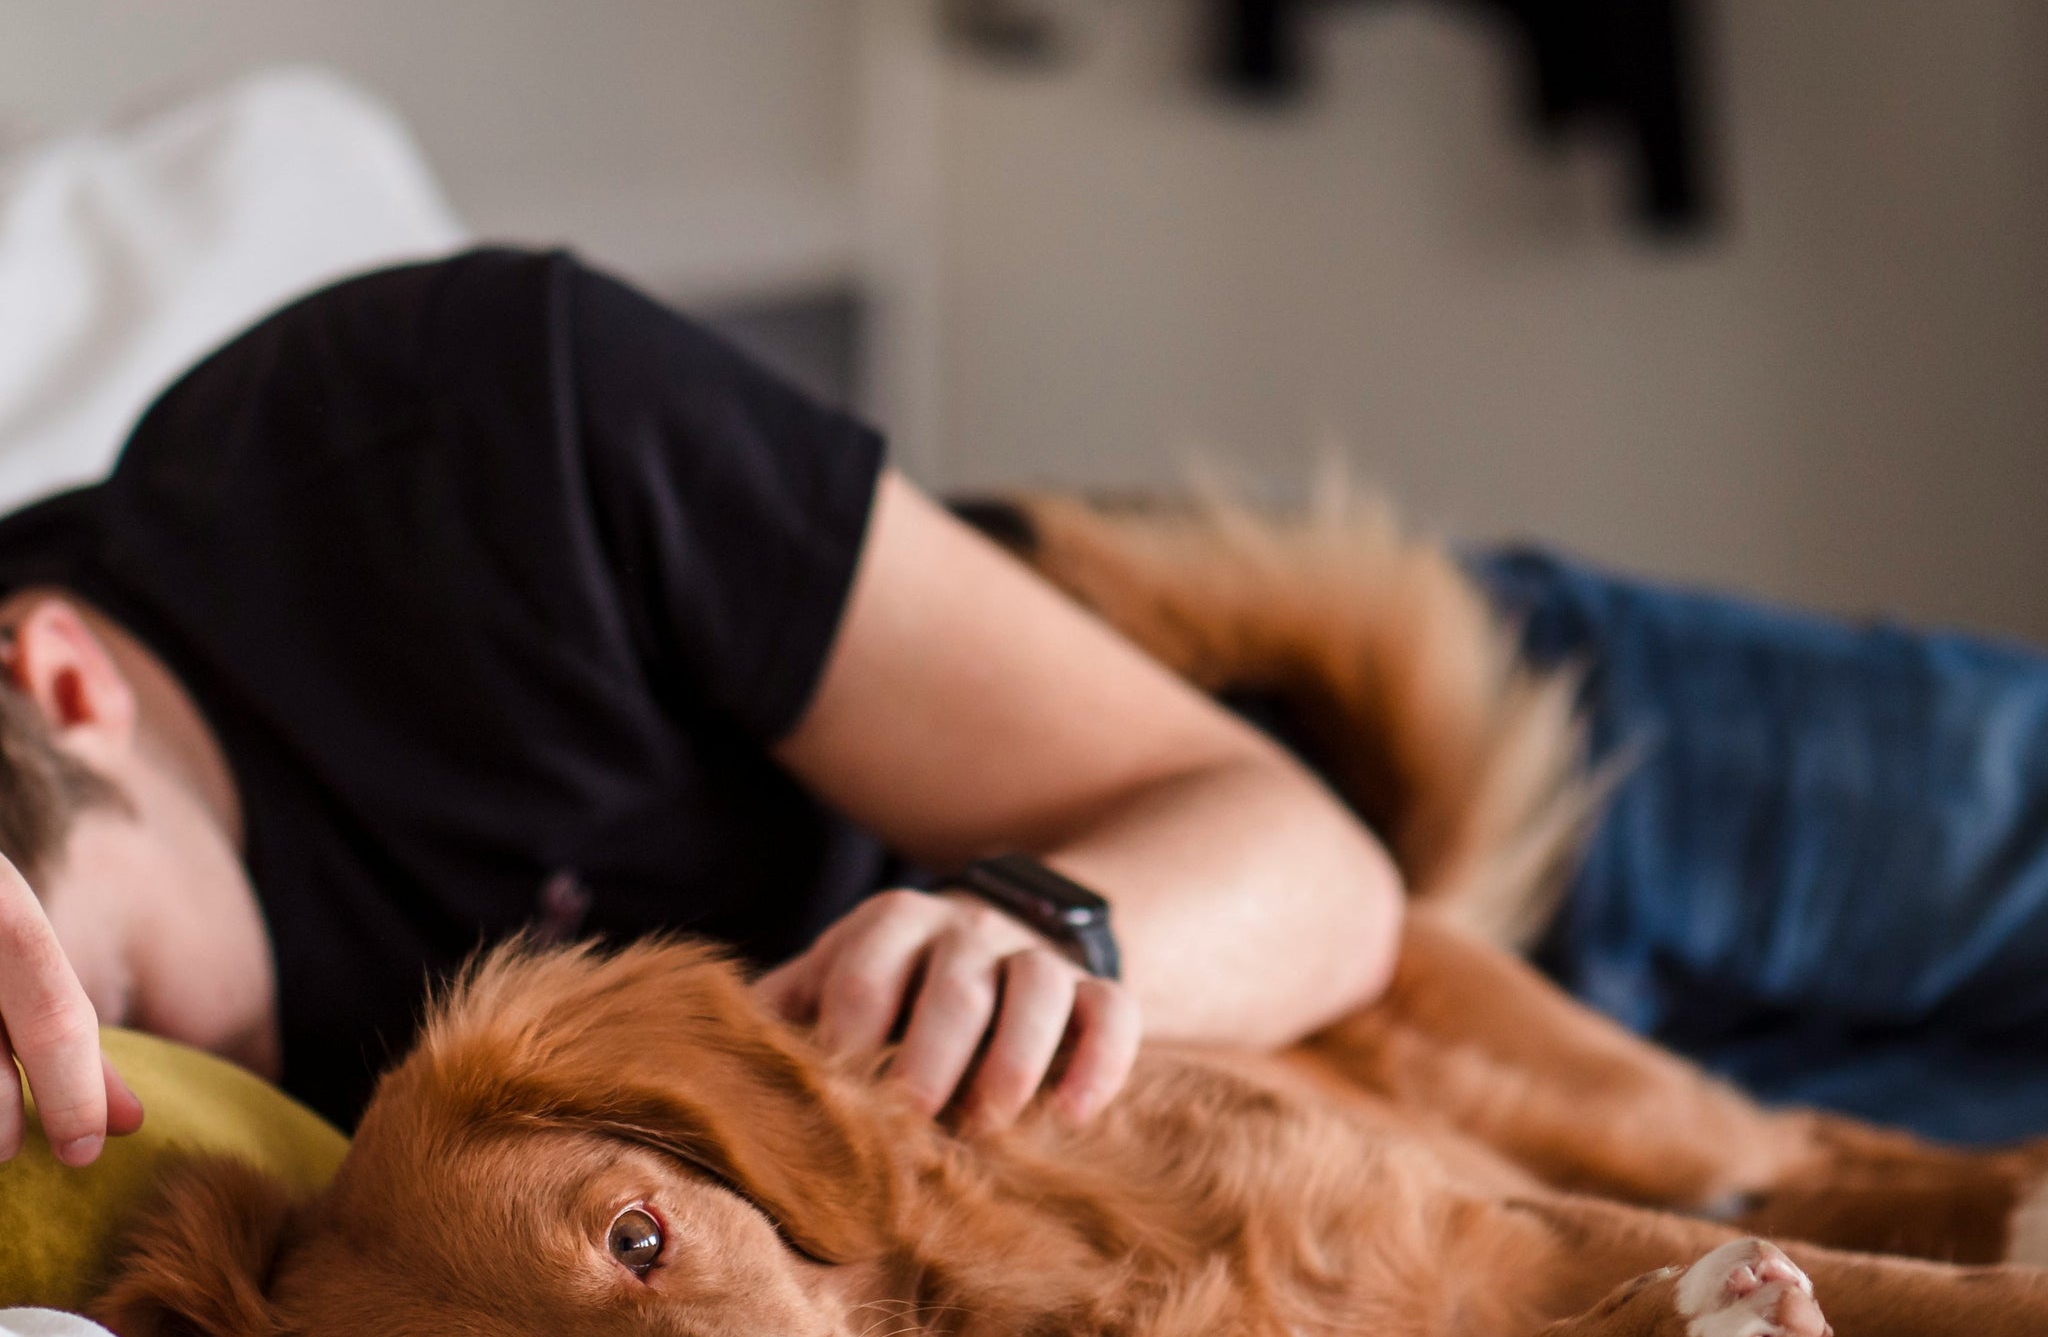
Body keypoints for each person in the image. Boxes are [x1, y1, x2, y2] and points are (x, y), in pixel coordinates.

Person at [0, 249, 1402, 1167]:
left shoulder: (483, 425)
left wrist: (1031, 935)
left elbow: (1321, 870)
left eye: (116, 1006)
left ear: (65, 684)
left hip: (1337, 699)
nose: (124, 1113)